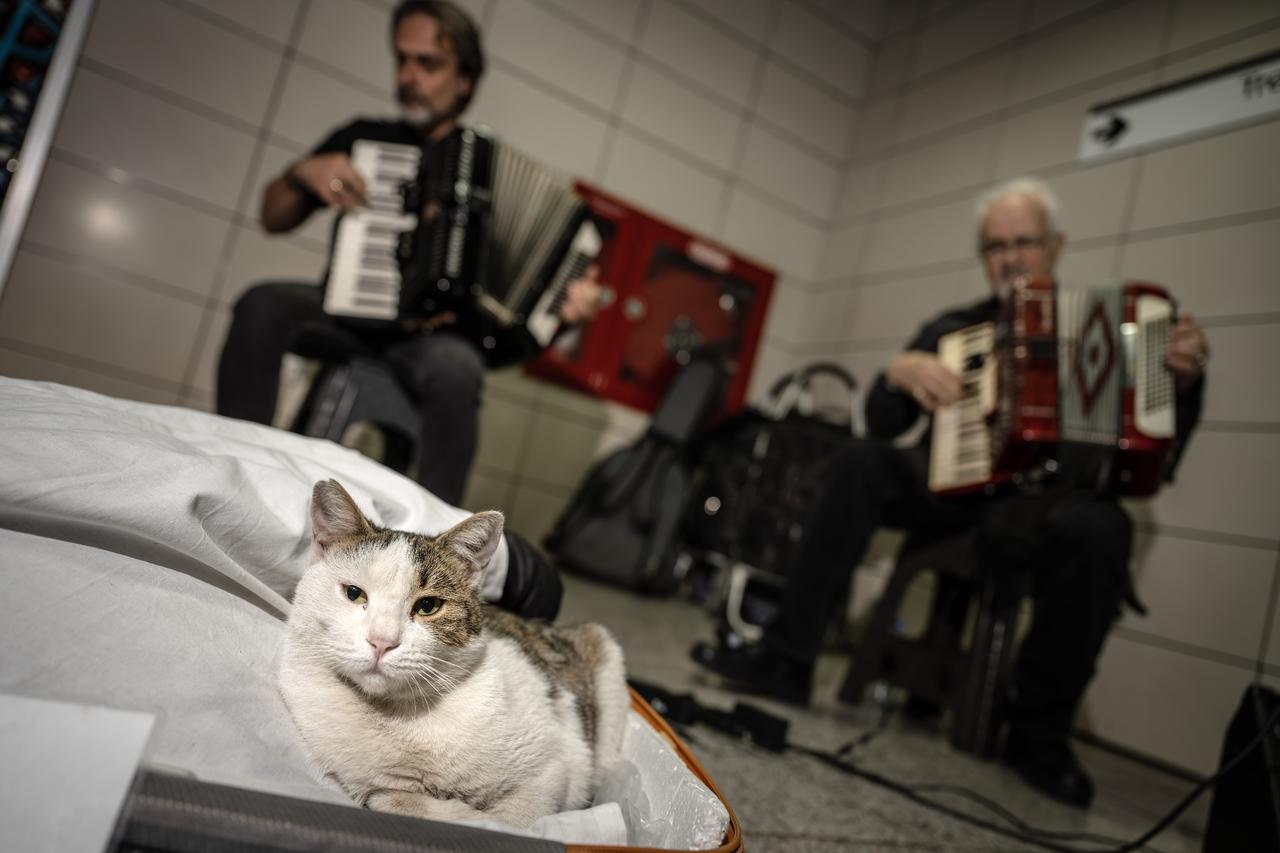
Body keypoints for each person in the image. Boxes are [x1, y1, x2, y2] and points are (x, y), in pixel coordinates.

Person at [690, 177, 1209, 809]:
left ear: (1056, 246)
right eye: (994, 246)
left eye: (1024, 242)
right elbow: (882, 423)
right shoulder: (955, 327)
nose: (1010, 258)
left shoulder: (1107, 328)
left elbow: (1163, 448)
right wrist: (896, 373)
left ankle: (1039, 733)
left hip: (1049, 504)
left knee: (1103, 529)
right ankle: (787, 657)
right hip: (954, 495)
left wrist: (1179, 383)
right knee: (861, 461)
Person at [217, 0, 602, 507]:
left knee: (459, 368)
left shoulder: (485, 171)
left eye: (428, 63)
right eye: (402, 60)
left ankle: (439, 538)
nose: (408, 76)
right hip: (346, 314)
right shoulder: (363, 138)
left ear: (465, 79)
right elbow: (274, 217)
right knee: (262, 304)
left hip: (430, 340)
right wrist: (301, 173)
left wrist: (568, 314)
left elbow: (511, 340)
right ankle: (235, 471)